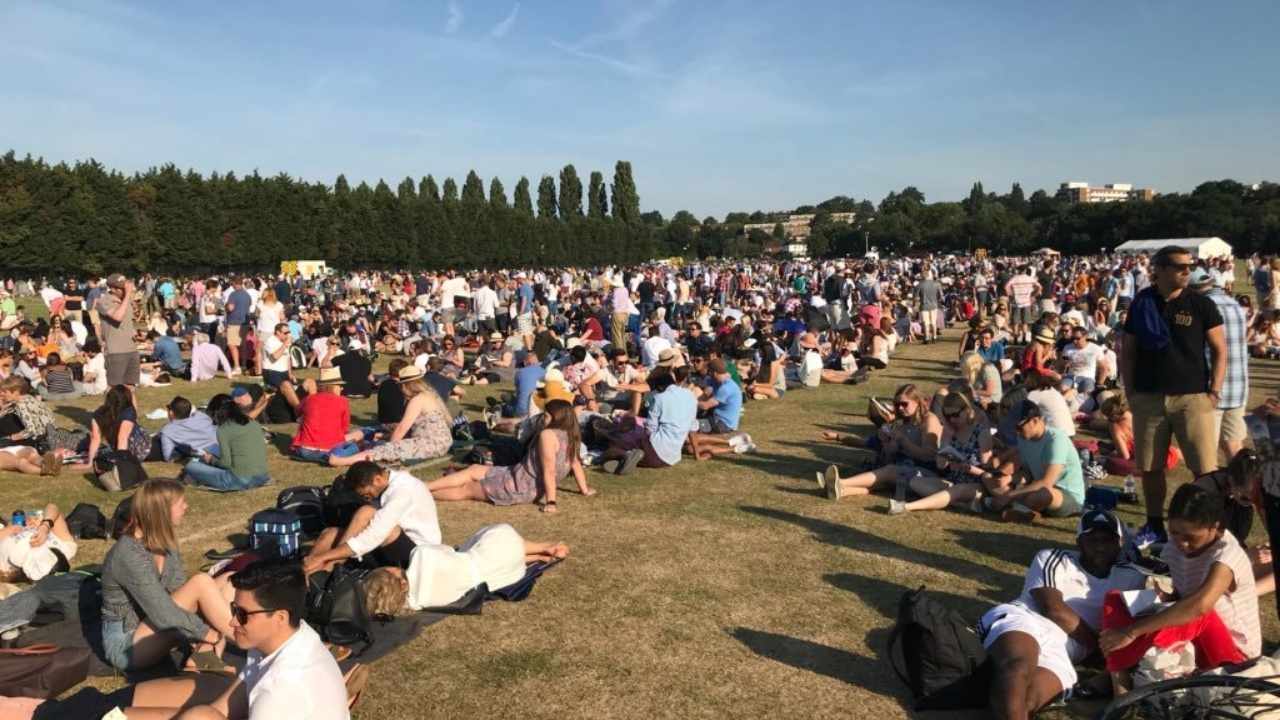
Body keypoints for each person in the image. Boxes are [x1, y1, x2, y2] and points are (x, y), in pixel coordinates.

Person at [118, 559, 351, 720]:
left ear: (279, 617)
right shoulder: (292, 635)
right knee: (200, 715)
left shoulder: (279, 691)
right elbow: (221, 708)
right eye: (233, 609)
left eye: (242, 614)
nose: (232, 622)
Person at [981, 510, 1147, 720]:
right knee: (1018, 666)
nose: (1100, 545)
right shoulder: (1053, 558)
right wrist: (1099, 649)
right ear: (1079, 541)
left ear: (1120, 543)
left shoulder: (1133, 576)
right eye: (1092, 539)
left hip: (1067, 650)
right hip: (1028, 621)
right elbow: (1054, 610)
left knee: (1030, 700)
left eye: (1108, 539)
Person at [1099, 483, 1261, 694]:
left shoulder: (1227, 556)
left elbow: (1199, 606)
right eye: (1175, 533)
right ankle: (1119, 679)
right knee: (1115, 599)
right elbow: (1182, 597)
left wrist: (1130, 632)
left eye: (1191, 537)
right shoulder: (1173, 549)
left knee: (1199, 613)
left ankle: (1120, 671)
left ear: (1216, 528)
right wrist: (1166, 597)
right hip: (1196, 637)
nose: (1182, 544)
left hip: (1236, 658)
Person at [1120, 245, 1226, 546]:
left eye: (1189, 266)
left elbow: (1220, 350)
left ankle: (1207, 527)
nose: (1187, 271)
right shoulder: (1142, 302)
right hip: (1150, 398)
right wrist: (1131, 392)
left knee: (1204, 470)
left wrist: (1214, 391)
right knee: (1151, 467)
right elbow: (1128, 351)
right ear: (1161, 269)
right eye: (1181, 267)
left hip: (1193, 398)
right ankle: (1154, 524)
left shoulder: (1200, 304)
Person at [100, 479, 237, 672]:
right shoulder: (128, 553)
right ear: (161, 510)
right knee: (201, 582)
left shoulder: (165, 542)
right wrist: (208, 632)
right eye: (181, 503)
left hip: (156, 623)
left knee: (230, 579)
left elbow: (178, 589)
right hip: (128, 645)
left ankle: (204, 656)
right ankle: (245, 637)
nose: (186, 507)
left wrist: (206, 622)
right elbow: (163, 613)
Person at [427, 399, 595, 512]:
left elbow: (549, 471)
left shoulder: (548, 435)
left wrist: (551, 502)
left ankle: (423, 493)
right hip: (517, 474)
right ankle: (426, 486)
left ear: (555, 417)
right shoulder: (570, 434)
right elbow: (576, 464)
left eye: (545, 415)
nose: (542, 418)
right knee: (475, 469)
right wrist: (585, 490)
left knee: (468, 489)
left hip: (520, 486)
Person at [364, 525, 568, 613]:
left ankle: (536, 556)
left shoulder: (418, 602)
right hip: (494, 554)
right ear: (394, 576)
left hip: (500, 577)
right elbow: (449, 550)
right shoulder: (420, 557)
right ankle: (543, 547)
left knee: (491, 554)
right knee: (497, 535)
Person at [303, 461, 442, 574]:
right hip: (390, 546)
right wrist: (319, 557)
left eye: (367, 494)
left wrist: (326, 557)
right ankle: (306, 576)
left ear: (377, 479)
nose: (368, 497)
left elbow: (374, 535)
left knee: (366, 512)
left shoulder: (403, 490)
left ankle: (332, 568)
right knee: (329, 534)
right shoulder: (386, 483)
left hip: (419, 557)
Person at [821, 383, 942, 500]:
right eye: (897, 404)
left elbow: (929, 455)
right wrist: (888, 446)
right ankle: (842, 491)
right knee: (886, 477)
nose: (900, 408)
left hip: (925, 474)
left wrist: (903, 441)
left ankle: (841, 482)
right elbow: (878, 451)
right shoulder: (900, 423)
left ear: (917, 402)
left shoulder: (929, 420)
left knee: (890, 472)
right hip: (903, 470)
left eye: (904, 404)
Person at [888, 393, 996, 515]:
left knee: (956, 490)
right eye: (947, 416)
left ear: (966, 411)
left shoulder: (981, 433)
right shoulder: (950, 431)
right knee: (915, 482)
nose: (952, 420)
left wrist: (968, 468)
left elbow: (988, 470)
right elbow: (940, 465)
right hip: (953, 480)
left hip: (977, 484)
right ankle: (961, 504)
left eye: (955, 415)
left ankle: (906, 507)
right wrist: (946, 441)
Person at [328, 365, 453, 467]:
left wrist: (390, 448)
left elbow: (401, 429)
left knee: (381, 449)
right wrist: (387, 436)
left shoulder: (417, 400)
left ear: (406, 385)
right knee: (384, 441)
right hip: (442, 442)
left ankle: (341, 461)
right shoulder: (430, 395)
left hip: (430, 444)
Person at [1190, 268, 1250, 461]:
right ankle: (1242, 488)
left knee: (1206, 452)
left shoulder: (1202, 307)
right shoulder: (1234, 304)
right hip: (1239, 386)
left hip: (1213, 388)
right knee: (1233, 445)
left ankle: (1212, 491)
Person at [989, 402, 1085, 522]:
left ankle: (1019, 508)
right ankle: (1026, 511)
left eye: (1019, 427)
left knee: (1042, 494)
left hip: (1067, 496)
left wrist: (1010, 495)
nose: (1016, 432)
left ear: (1035, 421)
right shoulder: (1023, 438)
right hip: (1038, 488)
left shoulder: (1056, 440)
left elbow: (1047, 482)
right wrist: (1010, 479)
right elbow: (1028, 473)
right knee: (997, 486)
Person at [179, 398, 270, 492]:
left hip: (239, 481)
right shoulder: (254, 423)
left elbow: (226, 463)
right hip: (262, 476)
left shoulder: (223, 430)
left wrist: (211, 460)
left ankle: (194, 477)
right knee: (215, 452)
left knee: (190, 466)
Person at [291, 368, 367, 463]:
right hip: (332, 450)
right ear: (333, 386)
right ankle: (329, 457)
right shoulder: (342, 401)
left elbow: (298, 413)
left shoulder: (309, 399)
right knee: (360, 441)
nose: (342, 388)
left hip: (304, 450)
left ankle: (321, 457)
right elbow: (344, 429)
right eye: (340, 385)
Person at [0, 503, 77, 582]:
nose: (37, 545)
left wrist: (9, 529)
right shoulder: (67, 549)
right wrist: (45, 526)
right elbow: (52, 507)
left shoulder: (11, 565)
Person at [94, 273, 141, 387]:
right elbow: (117, 317)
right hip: (116, 351)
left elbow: (128, 321)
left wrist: (135, 334)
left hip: (131, 349)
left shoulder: (125, 300)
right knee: (115, 389)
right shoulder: (103, 301)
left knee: (131, 387)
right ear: (113, 289)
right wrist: (128, 295)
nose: (126, 290)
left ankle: (132, 406)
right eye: (123, 288)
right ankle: (112, 406)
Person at [157, 396, 219, 462]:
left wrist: (180, 450)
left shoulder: (167, 431)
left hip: (206, 456)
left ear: (171, 413)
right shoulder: (201, 416)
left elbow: (168, 456)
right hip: (220, 447)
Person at [225, 278, 252, 376]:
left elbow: (230, 308)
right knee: (242, 345)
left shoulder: (233, 294)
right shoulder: (247, 295)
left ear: (235, 284)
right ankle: (243, 365)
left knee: (232, 345)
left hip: (234, 321)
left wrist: (226, 307)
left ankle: (237, 366)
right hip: (245, 322)